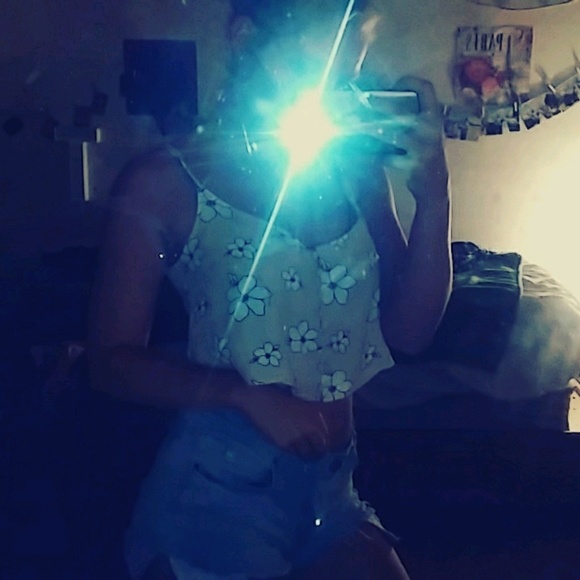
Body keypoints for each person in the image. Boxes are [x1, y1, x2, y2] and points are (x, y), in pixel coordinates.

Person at [87, 0, 452, 578]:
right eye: (311, 70)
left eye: (345, 73)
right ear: (243, 38)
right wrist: (243, 394)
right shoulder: (164, 181)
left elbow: (410, 332)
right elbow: (108, 362)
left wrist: (434, 197)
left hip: (332, 492)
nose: (329, 90)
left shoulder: (355, 173)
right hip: (214, 496)